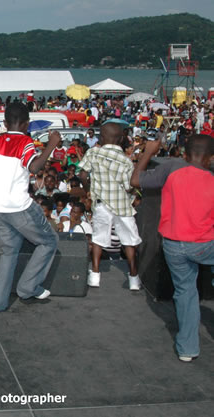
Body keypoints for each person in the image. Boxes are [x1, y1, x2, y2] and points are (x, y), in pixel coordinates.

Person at [130, 134, 214, 362]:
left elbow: (136, 181)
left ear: (184, 155)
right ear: (211, 159)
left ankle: (187, 349)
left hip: (174, 245)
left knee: (186, 292)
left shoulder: (172, 169)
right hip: (206, 244)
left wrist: (148, 152)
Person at [0, 102, 60, 313]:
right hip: (19, 206)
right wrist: (52, 144)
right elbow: (34, 167)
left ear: (4, 123)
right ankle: (27, 287)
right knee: (49, 241)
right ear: (27, 124)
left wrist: (1, 172)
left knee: (9, 252)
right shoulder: (26, 142)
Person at [78, 122, 141, 290]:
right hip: (122, 205)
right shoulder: (126, 161)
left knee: (98, 239)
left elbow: (82, 175)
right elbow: (129, 186)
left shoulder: (93, 153)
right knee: (129, 241)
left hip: (102, 204)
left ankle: (95, 276)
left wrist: (88, 190)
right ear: (121, 139)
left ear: (100, 137)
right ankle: (134, 279)